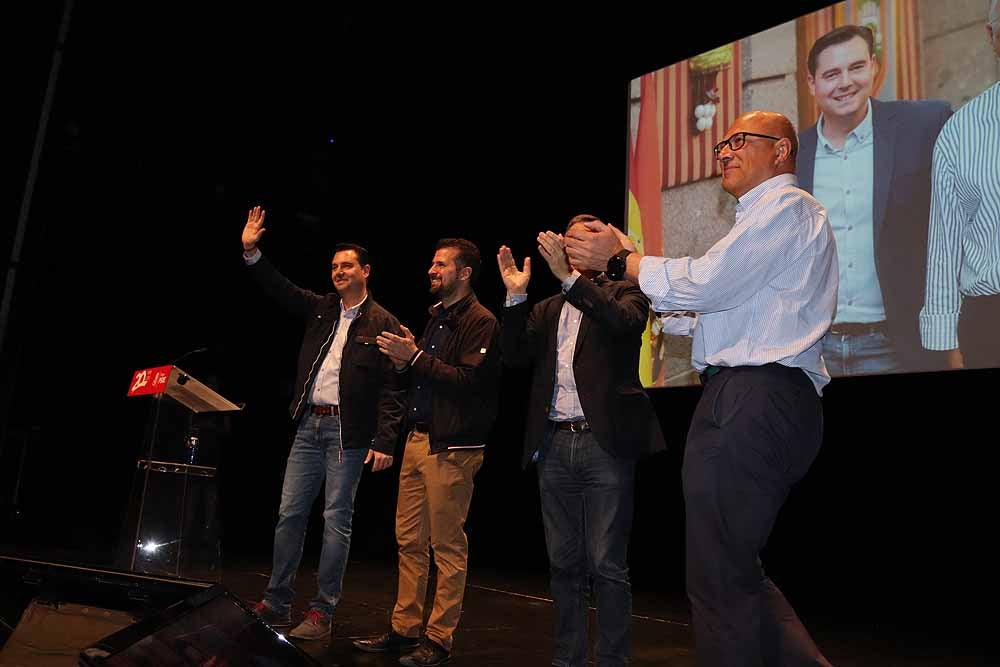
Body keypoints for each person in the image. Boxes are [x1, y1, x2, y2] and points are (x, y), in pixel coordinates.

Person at [565, 111, 837, 665]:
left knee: (717, 575)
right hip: (742, 394)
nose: (724, 151)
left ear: (781, 151)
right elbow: (700, 308)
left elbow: (709, 283)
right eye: (722, 143)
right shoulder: (753, 224)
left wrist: (622, 258)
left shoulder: (789, 208)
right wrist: (630, 265)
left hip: (758, 394)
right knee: (733, 567)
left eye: (740, 141)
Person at [497, 215, 666, 667]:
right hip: (553, 444)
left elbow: (625, 324)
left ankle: (612, 660)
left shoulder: (625, 292)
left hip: (603, 444)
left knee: (607, 565)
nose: (573, 243)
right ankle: (566, 659)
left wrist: (573, 281)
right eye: (569, 237)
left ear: (606, 244)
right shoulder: (549, 307)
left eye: (586, 235)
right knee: (563, 565)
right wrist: (515, 295)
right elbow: (512, 357)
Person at [241, 205, 405, 640]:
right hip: (308, 427)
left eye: (347, 265)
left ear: (365, 271)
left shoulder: (384, 323)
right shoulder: (321, 309)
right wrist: (252, 252)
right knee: (289, 515)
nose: (338, 271)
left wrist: (385, 440)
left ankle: (321, 612)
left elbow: (393, 389)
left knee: (336, 520)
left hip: (346, 435)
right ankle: (276, 601)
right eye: (334, 266)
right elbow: (280, 289)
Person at [353, 238, 501, 667]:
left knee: (447, 546)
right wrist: (405, 359)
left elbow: (469, 381)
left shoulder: (481, 321)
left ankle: (439, 638)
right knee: (409, 541)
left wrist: (413, 356)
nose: (432, 270)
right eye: (432, 264)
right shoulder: (436, 317)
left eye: (440, 264)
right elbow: (424, 377)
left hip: (453, 446)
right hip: (418, 441)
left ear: (465, 272)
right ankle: (404, 629)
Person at [798, 24, 952, 376]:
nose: (845, 82)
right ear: (812, 84)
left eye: (856, 67)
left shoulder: (924, 126)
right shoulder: (796, 153)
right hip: (816, 350)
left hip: (897, 343)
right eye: (831, 74)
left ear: (874, 66)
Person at [920, 0, 1000, 370]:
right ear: (993, 37)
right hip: (990, 326)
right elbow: (944, 246)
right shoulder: (959, 133)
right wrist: (948, 344)